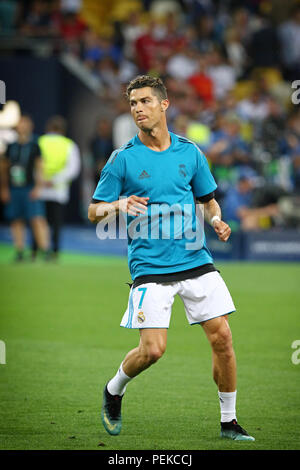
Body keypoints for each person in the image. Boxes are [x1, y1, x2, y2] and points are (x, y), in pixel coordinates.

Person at [88, 75, 255, 442]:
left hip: (196, 258)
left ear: (164, 105)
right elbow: (93, 211)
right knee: (153, 351)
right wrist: (118, 204)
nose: (137, 109)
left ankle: (229, 421)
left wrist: (215, 219)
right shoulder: (123, 159)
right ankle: (114, 389)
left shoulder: (190, 152)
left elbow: (207, 198)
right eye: (133, 103)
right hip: (150, 265)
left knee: (223, 338)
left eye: (145, 101)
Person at [0, 114, 49, 261]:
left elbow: (40, 167)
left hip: (29, 187)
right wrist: (4, 188)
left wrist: (38, 187)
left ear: (30, 126)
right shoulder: (11, 146)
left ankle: (45, 251)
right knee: (16, 219)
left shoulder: (34, 145)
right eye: (20, 123)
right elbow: (4, 169)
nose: (22, 126)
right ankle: (19, 251)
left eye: (25, 123)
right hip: (14, 188)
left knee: (37, 218)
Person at [34, 115, 81, 260]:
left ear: (48, 128)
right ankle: (54, 252)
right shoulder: (68, 144)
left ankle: (35, 251)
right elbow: (74, 168)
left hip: (40, 188)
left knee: (38, 220)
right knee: (56, 223)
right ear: (63, 130)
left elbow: (33, 164)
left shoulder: (40, 141)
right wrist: (56, 180)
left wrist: (42, 180)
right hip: (58, 190)